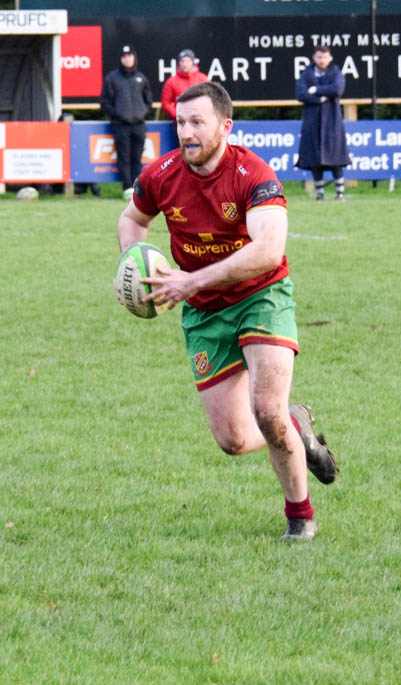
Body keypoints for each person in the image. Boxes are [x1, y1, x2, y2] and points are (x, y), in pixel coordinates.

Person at [116, 82, 339, 542]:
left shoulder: (253, 174)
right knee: (234, 440)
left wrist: (191, 279)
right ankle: (295, 423)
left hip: (261, 296)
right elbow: (132, 219)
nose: (186, 132)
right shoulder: (161, 174)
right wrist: (134, 265)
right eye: (181, 122)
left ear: (225, 126)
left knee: (266, 410)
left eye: (197, 122)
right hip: (204, 313)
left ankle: (300, 518)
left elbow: (268, 250)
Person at [295, 46, 351, 201]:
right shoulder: (306, 74)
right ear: (314, 58)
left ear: (329, 58)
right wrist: (320, 99)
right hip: (312, 122)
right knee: (315, 158)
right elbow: (300, 94)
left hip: (332, 122)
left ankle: (340, 193)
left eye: (325, 57)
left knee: (335, 157)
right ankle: (320, 194)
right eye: (319, 57)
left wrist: (315, 90)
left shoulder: (336, 73)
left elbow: (337, 89)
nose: (322, 60)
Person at [100, 44, 153, 197]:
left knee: (137, 157)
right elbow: (104, 102)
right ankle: (127, 188)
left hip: (138, 125)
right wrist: (118, 115)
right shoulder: (112, 78)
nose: (127, 59)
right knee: (124, 157)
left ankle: (138, 188)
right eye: (124, 56)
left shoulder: (141, 78)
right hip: (120, 125)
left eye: (129, 56)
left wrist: (141, 114)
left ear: (134, 58)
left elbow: (149, 102)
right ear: (121, 59)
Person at [160, 48, 209, 122]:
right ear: (179, 63)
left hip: (201, 121)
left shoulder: (203, 79)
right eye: (182, 61)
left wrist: (203, 114)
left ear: (193, 62)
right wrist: (177, 115)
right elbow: (165, 103)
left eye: (188, 61)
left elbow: (210, 99)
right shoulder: (171, 81)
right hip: (181, 123)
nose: (185, 64)